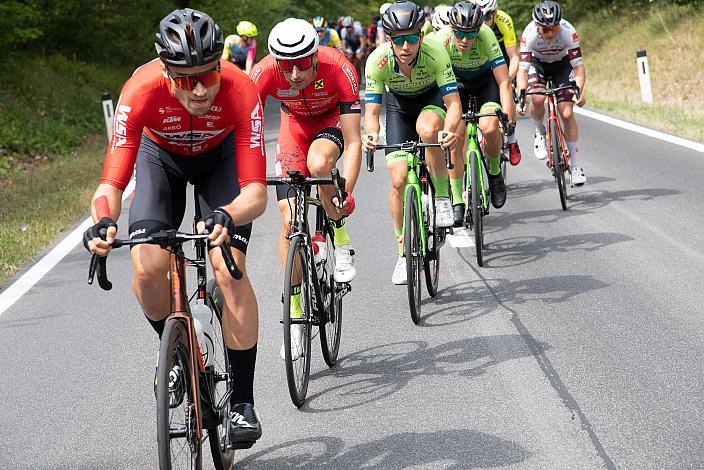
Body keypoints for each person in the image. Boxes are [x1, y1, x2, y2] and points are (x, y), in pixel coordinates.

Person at [83, 9, 266, 448]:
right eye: (185, 80)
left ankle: (242, 403)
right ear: (166, 72)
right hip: (159, 158)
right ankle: (180, 351)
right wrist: (102, 221)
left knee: (228, 266)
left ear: (220, 63)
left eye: (208, 74)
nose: (200, 89)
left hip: (219, 159)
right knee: (147, 267)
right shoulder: (140, 90)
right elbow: (110, 184)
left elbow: (256, 193)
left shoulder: (241, 89)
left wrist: (228, 214)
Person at [250, 18, 362, 357]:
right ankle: (295, 313)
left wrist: (346, 193)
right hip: (293, 128)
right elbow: (246, 135)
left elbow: (355, 141)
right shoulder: (263, 72)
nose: (294, 73)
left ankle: (340, 239)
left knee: (319, 164)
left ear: (314, 57)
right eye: (287, 66)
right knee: (288, 223)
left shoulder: (338, 68)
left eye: (301, 64)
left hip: (330, 123)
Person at [362, 0, 461, 285]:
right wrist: (370, 134)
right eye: (398, 40)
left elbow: (453, 103)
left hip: (431, 100)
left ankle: (442, 197)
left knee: (428, 129)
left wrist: (450, 129)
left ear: (421, 35)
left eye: (412, 38)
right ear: (388, 39)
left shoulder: (436, 52)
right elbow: (372, 113)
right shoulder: (377, 61)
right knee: (398, 179)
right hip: (398, 108)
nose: (406, 47)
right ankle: (403, 253)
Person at [429, 2, 516, 224]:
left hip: (485, 82)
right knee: (455, 137)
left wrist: (508, 117)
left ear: (479, 30)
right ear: (451, 28)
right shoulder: (441, 41)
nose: (465, 40)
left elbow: (504, 82)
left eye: (471, 35)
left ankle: (495, 175)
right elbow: (434, 84)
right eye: (459, 34)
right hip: (456, 85)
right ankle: (457, 199)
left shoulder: (487, 36)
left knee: (489, 126)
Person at [517, 0, 587, 185]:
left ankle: (575, 167)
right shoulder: (529, 34)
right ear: (537, 26)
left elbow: (579, 68)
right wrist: (521, 98)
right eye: (545, 29)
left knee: (566, 112)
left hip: (562, 66)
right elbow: (522, 71)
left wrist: (579, 91)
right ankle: (540, 132)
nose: (550, 33)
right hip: (537, 65)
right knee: (537, 98)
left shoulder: (568, 32)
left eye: (553, 29)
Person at [472, 0, 523, 166]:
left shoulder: (504, 20)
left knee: (507, 91)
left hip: (501, 54)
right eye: (479, 16)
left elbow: (514, 56)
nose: (483, 20)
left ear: (494, 13)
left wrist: (507, 78)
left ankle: (512, 138)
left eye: (487, 16)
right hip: (481, 59)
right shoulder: (471, 23)